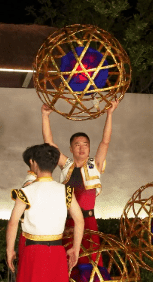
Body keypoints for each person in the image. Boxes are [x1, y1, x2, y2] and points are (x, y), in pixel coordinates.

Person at [42, 100, 118, 264]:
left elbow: (105, 142)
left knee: (90, 265)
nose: (81, 148)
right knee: (66, 263)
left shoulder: (95, 165)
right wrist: (45, 116)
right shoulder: (66, 165)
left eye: (85, 145)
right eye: (77, 145)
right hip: (67, 222)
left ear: (89, 148)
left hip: (89, 223)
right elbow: (49, 145)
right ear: (71, 149)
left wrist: (109, 114)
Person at [6, 144, 85, 281]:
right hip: (57, 251)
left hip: (32, 252)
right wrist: (75, 249)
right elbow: (79, 221)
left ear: (34, 163)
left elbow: (13, 223)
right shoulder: (66, 191)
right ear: (54, 164)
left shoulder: (26, 192)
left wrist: (10, 249)